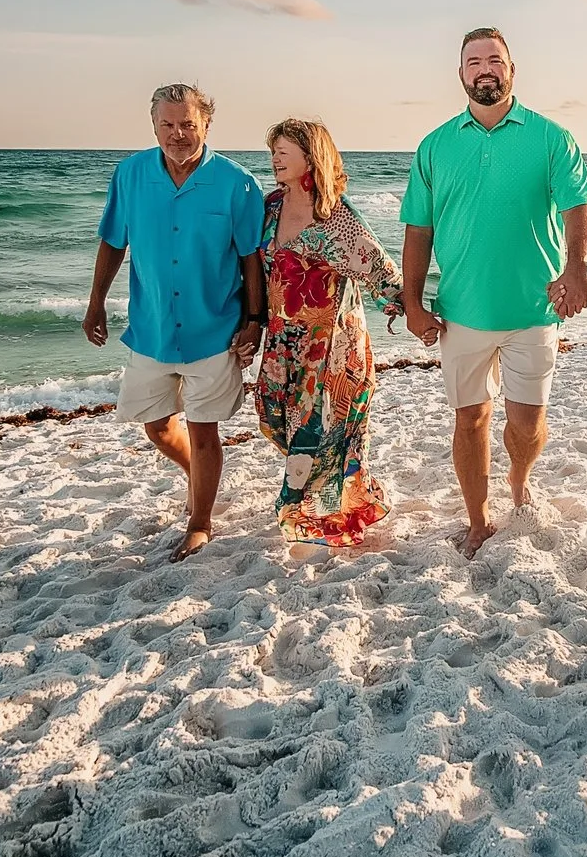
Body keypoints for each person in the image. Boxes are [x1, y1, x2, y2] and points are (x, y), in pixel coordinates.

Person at [400, 28, 587, 555]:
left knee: (527, 425)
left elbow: (578, 208)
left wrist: (577, 269)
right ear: (460, 74)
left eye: (494, 60)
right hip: (461, 313)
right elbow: (418, 230)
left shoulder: (552, 138)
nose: (484, 68)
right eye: (473, 61)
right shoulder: (435, 146)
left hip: (534, 310)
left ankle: (519, 476)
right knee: (471, 415)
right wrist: (412, 303)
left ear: (512, 69)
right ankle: (478, 518)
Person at [83, 82, 266, 561]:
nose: (178, 134)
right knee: (157, 425)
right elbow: (112, 241)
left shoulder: (237, 182)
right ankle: (197, 475)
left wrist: (254, 318)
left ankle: (200, 522)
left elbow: (251, 257)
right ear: (153, 125)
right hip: (152, 328)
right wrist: (96, 301)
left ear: (207, 124)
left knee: (205, 431)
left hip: (214, 327)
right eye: (167, 124)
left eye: (188, 124)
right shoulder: (130, 174)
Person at [255, 117, 405, 548]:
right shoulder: (270, 207)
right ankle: (346, 499)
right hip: (283, 342)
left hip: (333, 347)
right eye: (274, 151)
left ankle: (301, 512)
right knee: (275, 418)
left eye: (284, 150)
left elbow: (380, 270)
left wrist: (411, 311)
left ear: (311, 156)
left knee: (317, 429)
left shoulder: (334, 215)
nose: (275, 158)